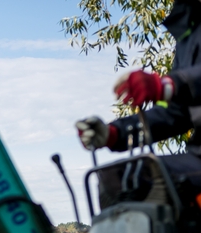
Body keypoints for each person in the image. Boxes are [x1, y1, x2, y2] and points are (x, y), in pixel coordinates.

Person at [76, 0, 201, 155]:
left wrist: (169, 85)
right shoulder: (189, 34)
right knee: (122, 175)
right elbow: (176, 113)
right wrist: (116, 133)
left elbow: (181, 84)